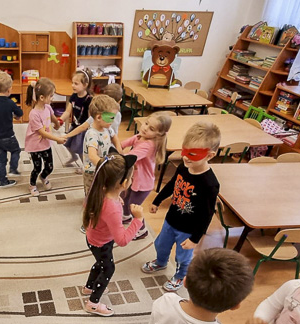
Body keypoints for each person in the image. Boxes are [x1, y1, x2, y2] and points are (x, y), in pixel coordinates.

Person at [142, 121, 221, 292]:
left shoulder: (210, 184)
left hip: (188, 230)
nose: (185, 157)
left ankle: (180, 276)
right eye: (184, 151)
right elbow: (172, 184)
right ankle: (161, 262)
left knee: (183, 257)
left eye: (192, 154)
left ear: (210, 155)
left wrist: (195, 239)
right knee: (160, 245)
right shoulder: (184, 167)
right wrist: (157, 200)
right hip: (171, 220)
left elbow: (207, 215)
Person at [82, 151, 142, 316]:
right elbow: (122, 240)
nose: (131, 180)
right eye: (131, 178)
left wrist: (116, 199)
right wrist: (138, 220)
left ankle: (89, 287)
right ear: (124, 183)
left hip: (93, 238)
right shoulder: (112, 208)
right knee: (108, 269)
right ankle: (93, 303)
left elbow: (99, 208)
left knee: (100, 263)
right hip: (101, 243)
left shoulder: (98, 190)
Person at [121, 112, 172, 240]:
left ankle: (141, 230)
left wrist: (115, 156)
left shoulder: (148, 145)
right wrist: (116, 145)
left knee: (134, 207)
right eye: (146, 123)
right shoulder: (140, 137)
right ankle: (126, 216)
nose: (145, 128)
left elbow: (129, 158)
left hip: (143, 183)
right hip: (134, 178)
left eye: (151, 128)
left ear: (158, 134)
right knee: (125, 196)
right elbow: (124, 143)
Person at [25, 78, 66, 196]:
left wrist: (57, 123)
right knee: (37, 168)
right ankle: (32, 185)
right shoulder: (34, 114)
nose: (53, 98)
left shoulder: (47, 107)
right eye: (51, 96)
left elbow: (52, 117)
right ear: (42, 97)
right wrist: (57, 139)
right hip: (35, 145)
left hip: (46, 144)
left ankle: (43, 177)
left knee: (49, 166)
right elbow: (42, 133)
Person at [82, 94, 122, 199]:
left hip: (103, 167)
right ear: (99, 117)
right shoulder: (92, 134)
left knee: (102, 191)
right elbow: (92, 156)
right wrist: (106, 167)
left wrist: (119, 151)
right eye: (111, 118)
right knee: (92, 194)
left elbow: (114, 137)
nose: (113, 121)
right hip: (92, 171)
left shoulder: (107, 128)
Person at [59, 69, 93, 173]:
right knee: (67, 143)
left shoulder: (89, 99)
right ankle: (73, 157)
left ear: (85, 85)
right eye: (72, 83)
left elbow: (90, 118)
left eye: (76, 84)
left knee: (81, 150)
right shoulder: (73, 96)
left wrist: (89, 131)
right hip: (75, 126)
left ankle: (85, 166)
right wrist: (60, 120)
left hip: (83, 129)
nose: (73, 85)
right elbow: (67, 111)